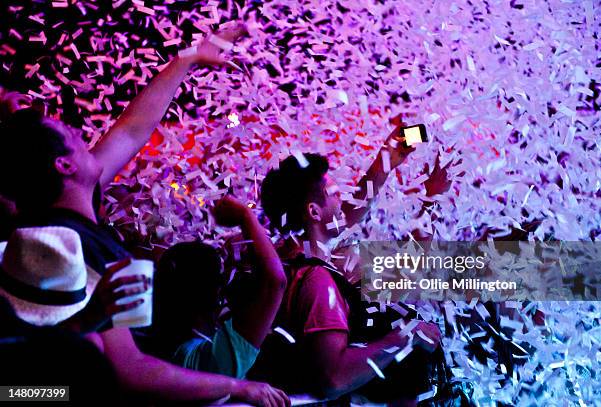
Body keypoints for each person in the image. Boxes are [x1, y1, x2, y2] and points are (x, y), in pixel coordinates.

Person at [0, 25, 289, 406]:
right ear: (64, 166)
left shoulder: (70, 220)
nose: (85, 136)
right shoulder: (57, 246)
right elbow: (129, 372)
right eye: (73, 137)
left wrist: (189, 58)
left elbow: (133, 130)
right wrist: (238, 387)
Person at [254, 127, 453, 404]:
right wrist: (405, 337)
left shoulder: (300, 262)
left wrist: (386, 163)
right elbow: (333, 378)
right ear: (313, 211)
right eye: (335, 194)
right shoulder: (318, 280)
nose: (342, 201)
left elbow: (350, 216)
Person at [150, 195, 286, 380]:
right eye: (221, 276)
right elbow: (274, 282)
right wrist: (245, 216)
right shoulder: (201, 360)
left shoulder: (163, 350)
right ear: (216, 292)